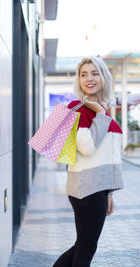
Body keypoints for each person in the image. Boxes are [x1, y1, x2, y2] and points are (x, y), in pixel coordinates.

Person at [53, 57, 124, 267]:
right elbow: (87, 146)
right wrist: (101, 114)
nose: (89, 78)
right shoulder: (79, 107)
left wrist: (109, 191)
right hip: (86, 188)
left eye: (94, 73)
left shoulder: (101, 108)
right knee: (86, 248)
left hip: (97, 188)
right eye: (83, 74)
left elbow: (107, 155)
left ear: (104, 76)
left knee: (83, 245)